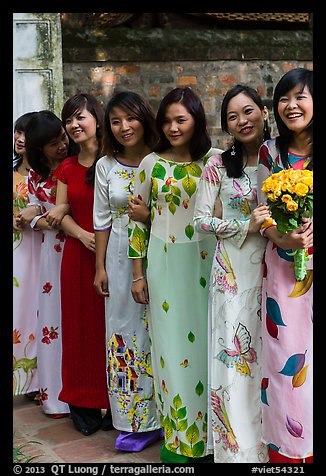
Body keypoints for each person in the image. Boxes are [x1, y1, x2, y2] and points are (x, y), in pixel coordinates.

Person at [128, 87, 222, 463]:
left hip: (208, 262)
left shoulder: (215, 161)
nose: (172, 127)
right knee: (169, 351)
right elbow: (136, 223)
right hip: (164, 265)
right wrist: (138, 274)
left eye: (180, 119)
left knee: (207, 346)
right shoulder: (150, 163)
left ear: (197, 119)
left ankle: (213, 437)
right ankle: (179, 439)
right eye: (166, 120)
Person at [193, 84, 271, 463]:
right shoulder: (218, 165)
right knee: (234, 353)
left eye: (248, 111)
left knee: (268, 353)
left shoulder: (284, 160)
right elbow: (201, 220)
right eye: (232, 116)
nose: (242, 120)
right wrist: (245, 227)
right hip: (233, 271)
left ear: (264, 112)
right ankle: (236, 450)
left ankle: (272, 443)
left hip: (279, 266)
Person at [93, 91, 164, 451]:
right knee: (124, 334)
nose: (124, 127)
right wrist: (100, 268)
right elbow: (101, 220)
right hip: (120, 261)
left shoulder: (162, 158)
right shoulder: (106, 165)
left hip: (164, 255)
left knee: (163, 332)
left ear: (144, 118)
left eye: (130, 118)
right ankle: (135, 421)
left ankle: (169, 414)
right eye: (116, 121)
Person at [257, 67, 313, 463]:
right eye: (284, 98)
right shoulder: (270, 152)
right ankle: (291, 450)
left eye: (300, 97)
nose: (291, 106)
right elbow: (261, 214)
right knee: (287, 359)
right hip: (282, 271)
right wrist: (283, 238)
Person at [47, 94, 111, 436]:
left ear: (96, 119)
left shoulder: (114, 161)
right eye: (69, 120)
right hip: (76, 255)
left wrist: (98, 241)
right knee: (78, 330)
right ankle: (82, 404)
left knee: (110, 329)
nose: (74, 125)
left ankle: (116, 401)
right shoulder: (67, 168)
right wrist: (85, 236)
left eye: (80, 117)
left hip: (114, 256)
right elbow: (60, 212)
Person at [22, 110, 74, 418]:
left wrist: (41, 218)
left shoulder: (74, 168)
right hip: (49, 258)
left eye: (63, 139)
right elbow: (34, 214)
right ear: (39, 148)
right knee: (52, 322)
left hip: (76, 247)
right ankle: (54, 396)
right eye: (53, 143)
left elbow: (59, 216)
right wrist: (33, 217)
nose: (62, 146)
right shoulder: (35, 177)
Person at [13, 111, 42, 400]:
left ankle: (41, 380)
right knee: (18, 312)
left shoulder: (46, 177)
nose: (21, 139)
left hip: (42, 248)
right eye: (17, 132)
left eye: (26, 134)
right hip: (17, 254)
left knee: (40, 310)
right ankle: (22, 380)